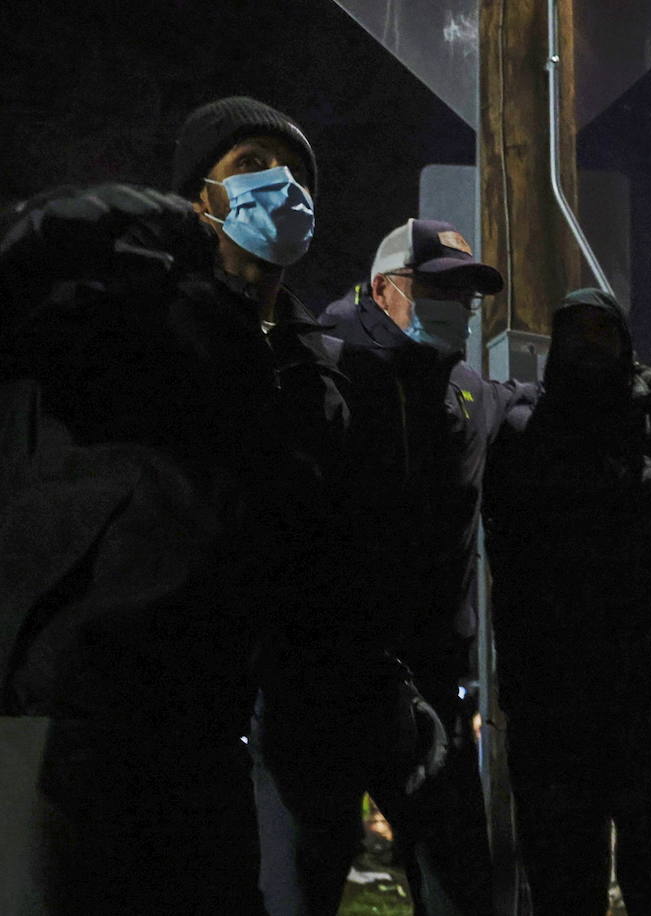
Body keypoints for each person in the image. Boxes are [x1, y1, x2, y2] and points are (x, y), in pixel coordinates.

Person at [0, 95, 344, 914]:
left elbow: (312, 567)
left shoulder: (312, 378)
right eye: (251, 165)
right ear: (200, 198)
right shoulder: (124, 315)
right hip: (75, 729)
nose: (282, 183)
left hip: (209, 745)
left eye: (293, 170)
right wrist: (88, 217)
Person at [252, 218, 516, 916]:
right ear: (382, 289)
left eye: (464, 295)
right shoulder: (318, 369)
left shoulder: (464, 394)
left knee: (461, 889)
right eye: (436, 288)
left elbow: (527, 409)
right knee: (295, 891)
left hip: (427, 691)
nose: (454, 307)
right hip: (317, 684)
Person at [483, 288, 651, 915]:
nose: (588, 347)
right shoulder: (524, 434)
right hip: (555, 706)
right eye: (575, 333)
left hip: (647, 700)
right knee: (563, 883)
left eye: (602, 332)